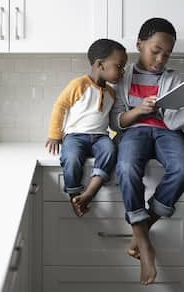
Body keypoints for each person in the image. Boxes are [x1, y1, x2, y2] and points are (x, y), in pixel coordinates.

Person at [110, 17, 184, 286]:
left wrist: (170, 110)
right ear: (140, 45)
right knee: (126, 167)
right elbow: (115, 121)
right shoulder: (122, 76)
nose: (161, 58)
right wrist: (139, 110)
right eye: (156, 51)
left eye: (167, 54)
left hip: (166, 131)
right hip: (135, 130)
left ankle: (141, 231)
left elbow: (175, 120)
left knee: (182, 167)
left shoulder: (173, 78)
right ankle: (146, 246)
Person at [45, 38, 127, 217]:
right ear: (100, 65)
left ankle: (90, 192)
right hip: (75, 136)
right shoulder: (78, 85)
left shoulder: (112, 92)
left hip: (100, 136)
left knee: (110, 150)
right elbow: (59, 106)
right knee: (72, 158)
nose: (122, 72)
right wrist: (54, 135)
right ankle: (74, 196)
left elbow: (113, 119)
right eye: (119, 66)